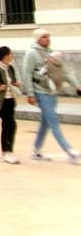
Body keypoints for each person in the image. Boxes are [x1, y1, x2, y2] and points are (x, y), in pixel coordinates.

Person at [21, 28, 81, 162]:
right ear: (37, 39)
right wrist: (30, 94)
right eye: (44, 37)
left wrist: (77, 85)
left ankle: (36, 150)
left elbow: (64, 72)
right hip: (41, 93)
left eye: (48, 37)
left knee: (45, 123)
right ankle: (70, 151)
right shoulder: (32, 53)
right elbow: (27, 74)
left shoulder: (52, 53)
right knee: (54, 122)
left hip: (52, 93)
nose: (47, 39)